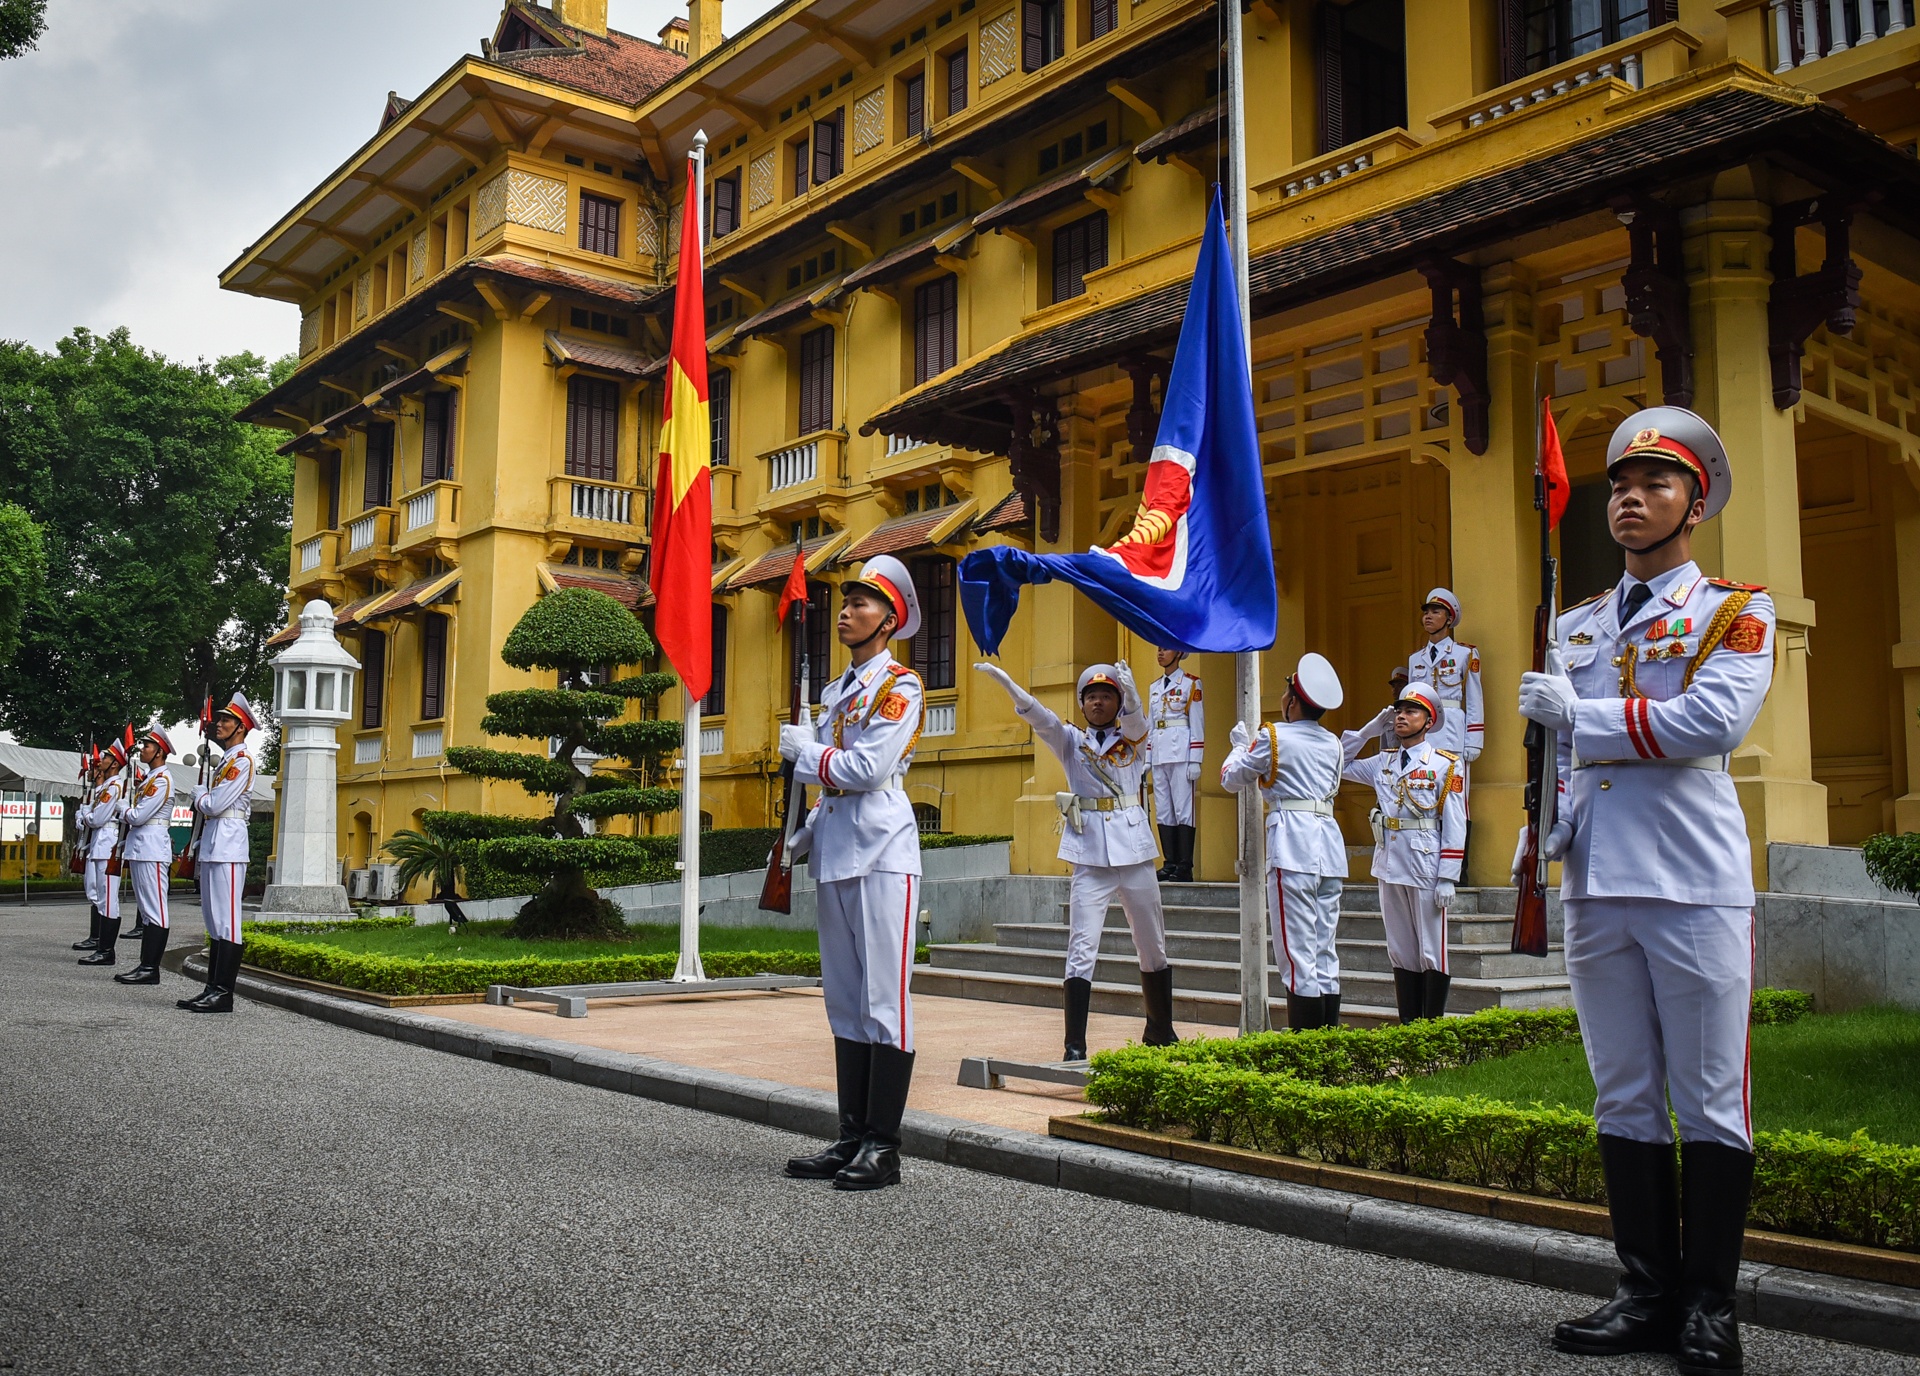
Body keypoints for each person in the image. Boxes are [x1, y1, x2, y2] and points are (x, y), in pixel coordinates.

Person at [1516, 406, 1766, 1373]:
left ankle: (1710, 1305)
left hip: (1694, 880)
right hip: (1596, 880)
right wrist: (1547, 831)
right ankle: (1643, 1291)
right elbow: (1569, 762)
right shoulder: (1574, 621)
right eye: (1620, 486)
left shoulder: (1734, 611)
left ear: (1692, 504)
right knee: (1622, 1093)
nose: (1630, 499)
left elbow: (1709, 722)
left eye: (1654, 485)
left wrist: (1580, 713)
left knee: (1709, 1098)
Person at [779, 554, 924, 1191]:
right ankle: (850, 1136)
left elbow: (865, 771)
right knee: (844, 1001)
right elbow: (833, 788)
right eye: (844, 602)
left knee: (883, 1001)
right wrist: (800, 836)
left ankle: (884, 1148)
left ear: (890, 619)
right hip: (837, 851)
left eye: (862, 604)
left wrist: (804, 752)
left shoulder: (902, 687)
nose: (846, 612)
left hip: (884, 854)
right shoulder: (838, 693)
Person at [975, 657, 1175, 1060]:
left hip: (1134, 854)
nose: (1098, 703)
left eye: (1106, 696)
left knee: (1151, 944)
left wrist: (1134, 704)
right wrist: (1010, 685)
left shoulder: (1133, 739)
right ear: (1082, 704)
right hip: (1089, 856)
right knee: (1081, 946)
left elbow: (1138, 725)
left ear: (1118, 704)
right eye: (1091, 697)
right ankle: (1074, 1045)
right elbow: (1041, 718)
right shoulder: (1071, 741)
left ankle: (1159, 1030)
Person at [1220, 653, 1348, 1030]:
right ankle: (1329, 1042)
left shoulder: (1273, 736)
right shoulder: (1334, 744)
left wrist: (1239, 747)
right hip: (1329, 845)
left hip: (1293, 843)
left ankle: (1305, 1045)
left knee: (1296, 954)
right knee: (1325, 950)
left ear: (1293, 701)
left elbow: (1232, 777)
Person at [1340, 681, 1464, 1022]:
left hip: (1426, 862)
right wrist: (1366, 731)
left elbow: (1455, 820)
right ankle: (1409, 1025)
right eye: (1398, 711)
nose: (1401, 716)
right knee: (1400, 948)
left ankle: (1432, 1025)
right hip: (1390, 862)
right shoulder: (1383, 761)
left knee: (1431, 948)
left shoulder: (1444, 764)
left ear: (1428, 721)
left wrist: (1448, 877)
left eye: (1411, 711)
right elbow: (1336, 764)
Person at [179, 694, 257, 1013]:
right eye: (220, 719)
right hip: (215, 843)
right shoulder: (226, 761)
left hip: (229, 846)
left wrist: (199, 795)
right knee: (213, 921)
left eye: (226, 720)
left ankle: (224, 993)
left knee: (228, 922)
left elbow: (214, 805)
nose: (219, 724)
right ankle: (211, 988)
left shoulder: (242, 761)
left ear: (241, 728)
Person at [115, 728, 176, 987]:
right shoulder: (151, 778)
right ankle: (145, 965)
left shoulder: (162, 780)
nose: (143, 749)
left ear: (160, 751)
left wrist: (123, 810)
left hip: (151, 847)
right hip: (142, 847)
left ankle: (151, 968)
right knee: (147, 909)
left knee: (155, 909)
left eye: (148, 746)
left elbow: (139, 816)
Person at [1145, 647, 1204, 882]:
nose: (1160, 653)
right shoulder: (1154, 687)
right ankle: (1169, 862)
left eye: (1165, 649)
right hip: (1160, 753)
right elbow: (1151, 725)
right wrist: (1148, 758)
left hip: (1181, 753)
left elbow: (1197, 722)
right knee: (1164, 809)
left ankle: (1184, 865)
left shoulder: (1191, 684)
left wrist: (1195, 759)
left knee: (1183, 809)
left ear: (1178, 654)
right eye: (1158, 649)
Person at [75, 741, 129, 968]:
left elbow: (96, 819)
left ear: (115, 764)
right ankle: (99, 942)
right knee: (95, 892)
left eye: (106, 758)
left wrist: (85, 816)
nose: (101, 762)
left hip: (107, 843)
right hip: (99, 844)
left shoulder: (114, 787)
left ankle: (106, 950)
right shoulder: (106, 787)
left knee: (108, 898)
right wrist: (87, 817)